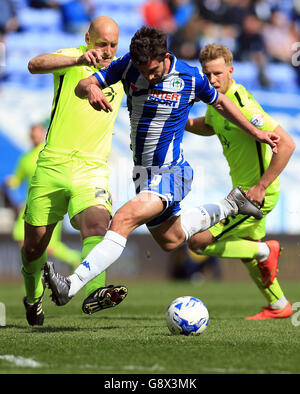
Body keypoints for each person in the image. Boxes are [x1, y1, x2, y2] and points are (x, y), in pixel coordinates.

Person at [43, 26, 279, 313]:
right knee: (172, 239)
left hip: (172, 173)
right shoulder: (128, 66)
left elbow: (223, 104)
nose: (149, 77)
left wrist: (256, 132)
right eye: (143, 71)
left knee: (123, 218)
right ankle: (231, 205)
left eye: (153, 71)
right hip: (143, 175)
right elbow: (83, 85)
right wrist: (92, 88)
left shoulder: (189, 76)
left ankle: (70, 285)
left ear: (165, 56)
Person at [22, 16, 128, 326]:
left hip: (92, 167)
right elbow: (33, 64)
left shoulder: (121, 69)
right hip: (53, 163)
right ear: (87, 38)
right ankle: (32, 298)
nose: (107, 51)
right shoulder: (72, 57)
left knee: (98, 222)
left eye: (113, 45)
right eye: (101, 44)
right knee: (33, 247)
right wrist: (78, 58)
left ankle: (95, 291)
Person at [185, 43, 295, 320]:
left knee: (198, 242)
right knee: (246, 251)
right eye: (207, 74)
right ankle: (279, 306)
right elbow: (210, 125)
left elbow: (287, 144)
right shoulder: (216, 101)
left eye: (218, 74)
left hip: (256, 195)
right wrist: (183, 122)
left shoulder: (243, 105)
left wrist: (261, 187)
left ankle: (265, 250)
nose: (212, 80)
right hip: (241, 192)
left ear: (231, 71)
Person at [5, 124, 81, 271]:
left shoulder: (49, 153)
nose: (35, 136)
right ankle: (34, 277)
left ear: (44, 134)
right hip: (30, 205)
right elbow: (17, 180)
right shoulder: (25, 158)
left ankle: (74, 259)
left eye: (38, 133)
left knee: (50, 247)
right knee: (24, 241)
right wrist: (11, 181)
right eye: (33, 133)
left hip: (51, 203)